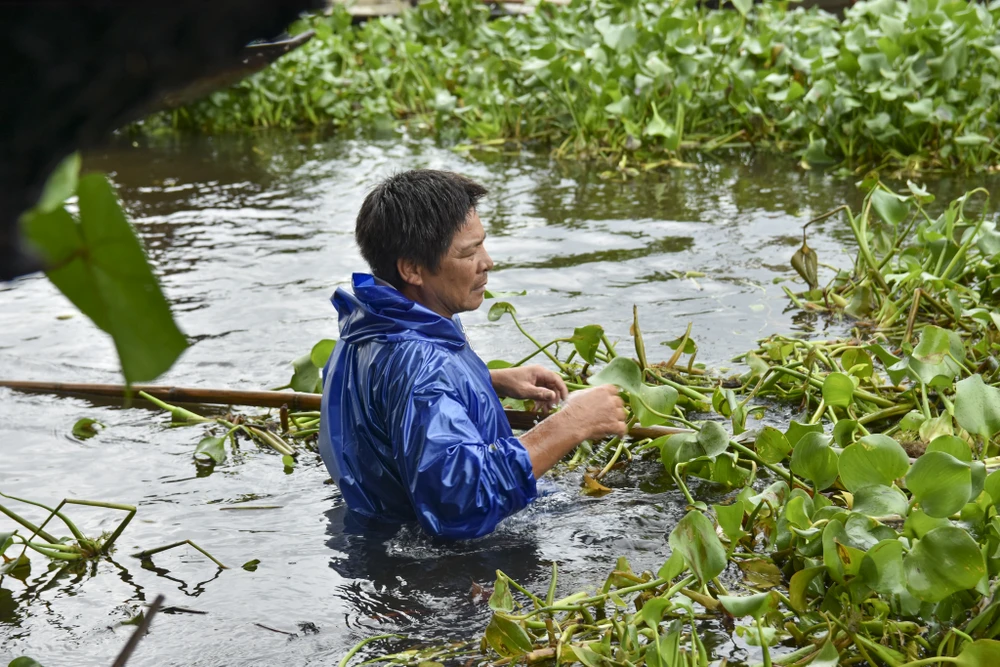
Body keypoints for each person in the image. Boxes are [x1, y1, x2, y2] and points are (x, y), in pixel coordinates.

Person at [318, 170, 627, 540]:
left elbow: (388, 403)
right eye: (469, 252)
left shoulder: (368, 324)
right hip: (438, 572)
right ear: (413, 270)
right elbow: (460, 502)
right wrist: (572, 423)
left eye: (482, 244)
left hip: (369, 532)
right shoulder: (424, 368)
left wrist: (486, 380)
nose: (488, 261)